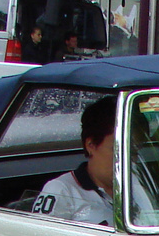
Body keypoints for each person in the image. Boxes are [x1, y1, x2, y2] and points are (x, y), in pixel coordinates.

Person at [27, 96, 117, 226]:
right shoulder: (61, 190)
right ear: (91, 145)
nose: (130, 159)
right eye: (116, 149)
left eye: (134, 150)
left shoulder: (139, 184)